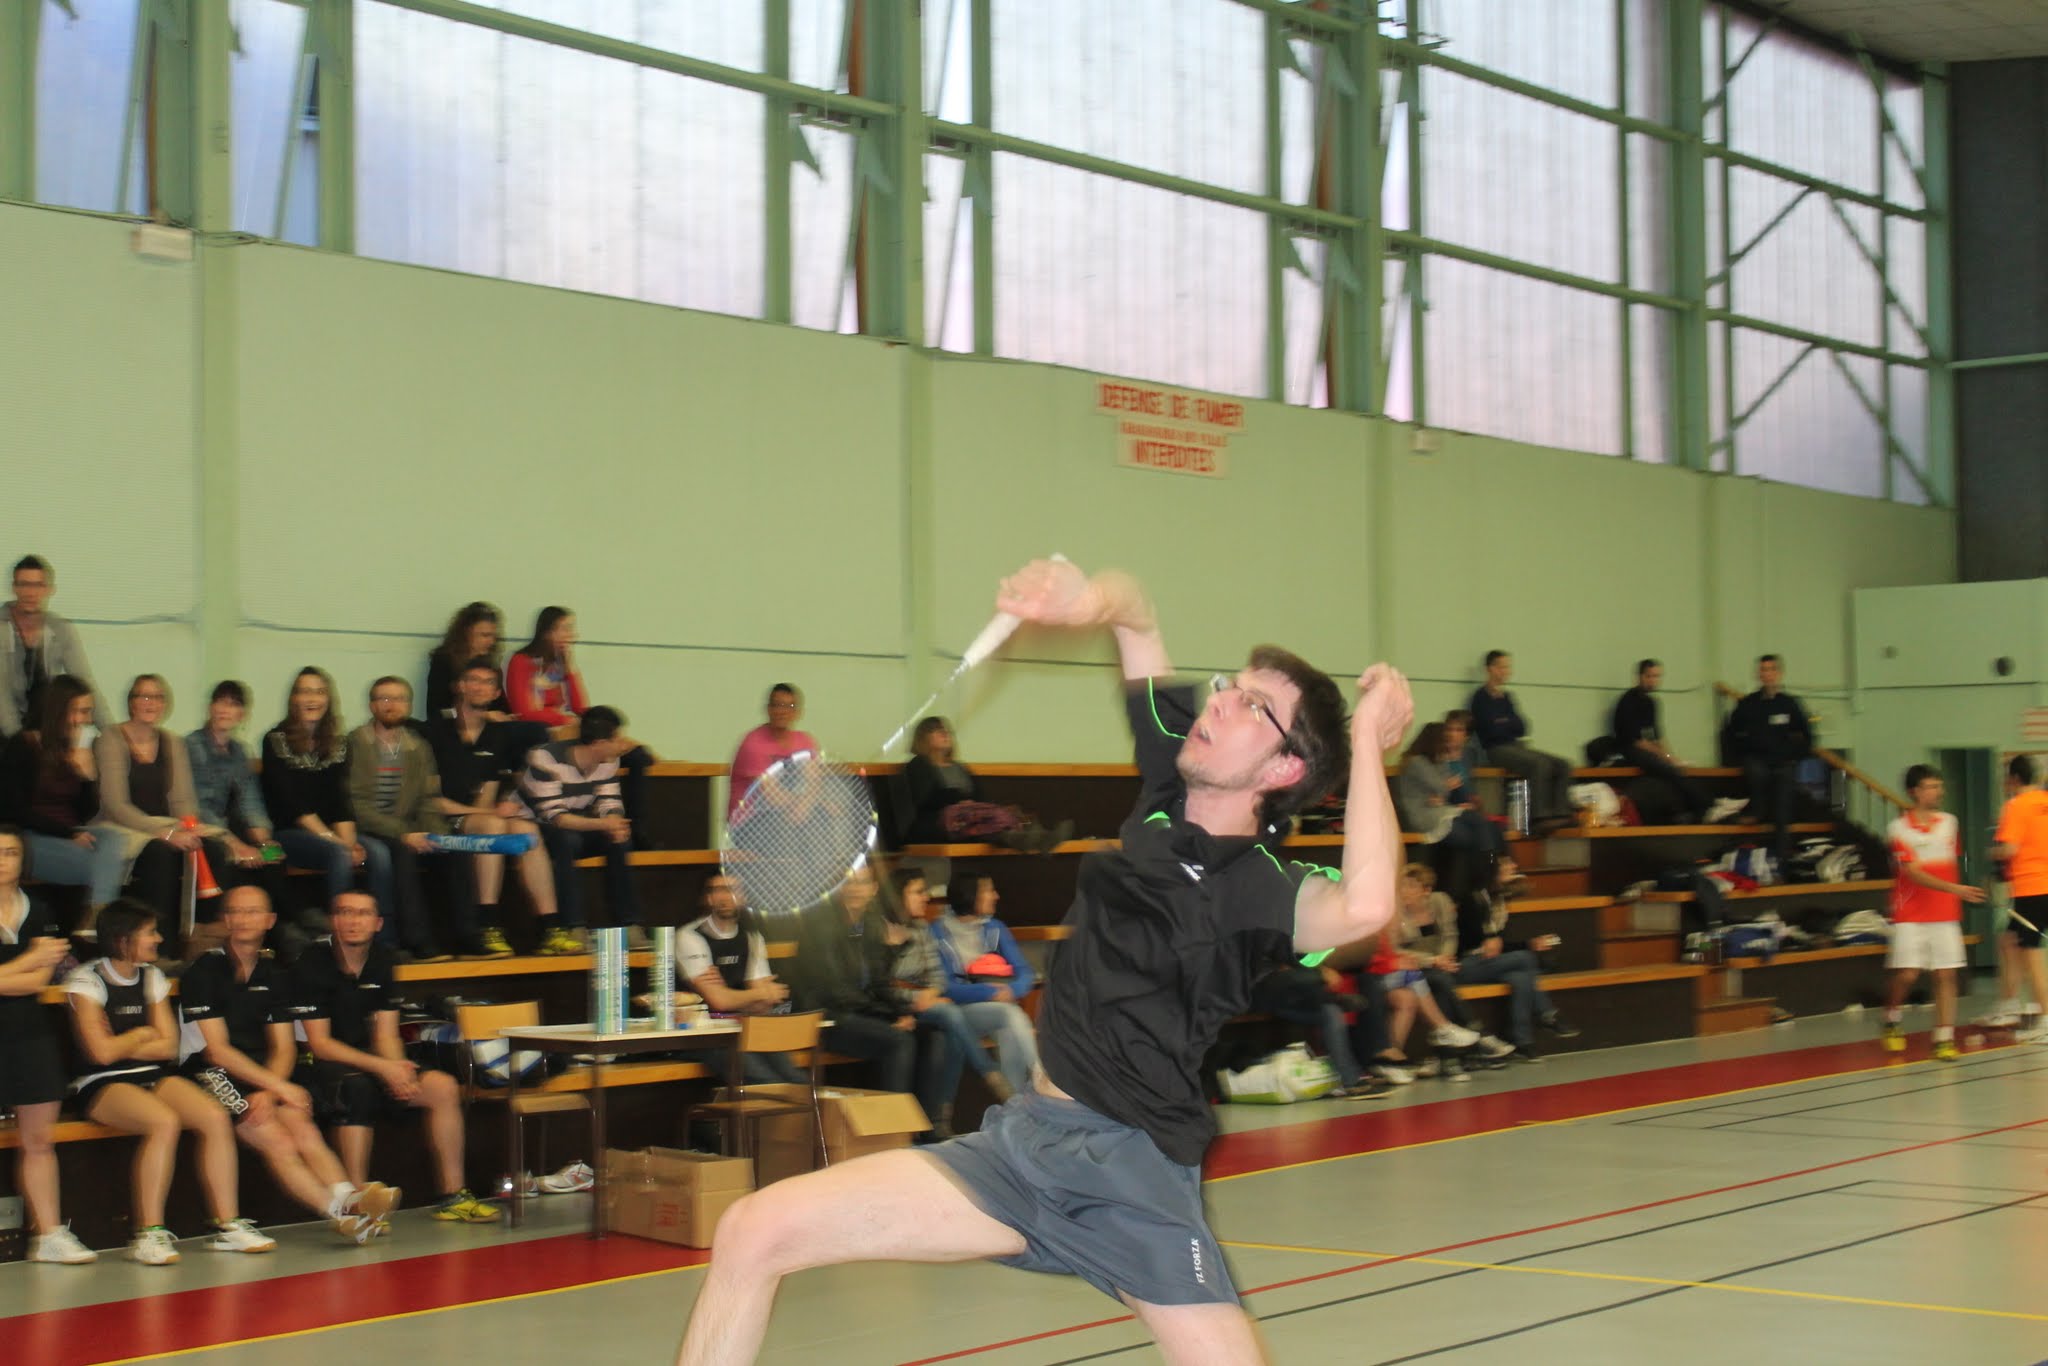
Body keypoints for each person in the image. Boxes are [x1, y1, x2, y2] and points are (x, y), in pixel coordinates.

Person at [676, 556, 1411, 1366]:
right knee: (753, 1229)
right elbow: (1136, 613)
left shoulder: (1262, 887)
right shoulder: (1168, 785)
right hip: (1021, 1148)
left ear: (1284, 768)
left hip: (1132, 1173)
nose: (1221, 702)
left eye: (1253, 705)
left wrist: (1366, 743)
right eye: (1229, 686)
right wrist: (1089, 600)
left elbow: (1368, 904)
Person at [179, 885, 402, 1240]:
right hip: (211, 1072)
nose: (244, 919)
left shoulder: (275, 974)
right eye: (236, 911)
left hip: (260, 1073)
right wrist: (277, 1087)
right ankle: (338, 1213)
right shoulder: (203, 972)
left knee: (302, 1128)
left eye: (254, 911)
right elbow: (216, 1051)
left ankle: (352, 1200)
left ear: (270, 920)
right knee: (276, 1139)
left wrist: (271, 1090)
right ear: (226, 920)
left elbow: (283, 1048)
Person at [64, 899, 278, 1264]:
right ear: (123, 938)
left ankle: (228, 1224)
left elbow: (167, 1046)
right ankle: (149, 1233)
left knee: (214, 1116)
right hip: (101, 1083)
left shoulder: (152, 977)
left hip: (151, 1074)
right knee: (163, 1121)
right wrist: (141, 1034)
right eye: (150, 933)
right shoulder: (86, 980)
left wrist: (124, 1041)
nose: (158, 939)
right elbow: (100, 1054)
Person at [287, 890, 502, 1223]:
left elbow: (386, 1035)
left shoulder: (382, 959)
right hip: (322, 1066)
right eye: (345, 912)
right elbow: (319, 1044)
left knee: (442, 1087)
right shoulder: (312, 963)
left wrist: (398, 1070)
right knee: (356, 1090)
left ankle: (452, 1195)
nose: (353, 921)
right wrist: (383, 1068)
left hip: (371, 1060)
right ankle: (359, 1204)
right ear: (333, 921)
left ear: (377, 923)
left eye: (362, 914)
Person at [0, 826, 97, 1263]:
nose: (3, 860)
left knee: (39, 1139)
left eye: (11, 852)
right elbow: (31, 967)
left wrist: (26, 970)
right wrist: (27, 959)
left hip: (29, 1032)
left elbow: (40, 980)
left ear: (23, 859)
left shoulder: (39, 909)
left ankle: (49, 1234)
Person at [427, 655, 556, 958]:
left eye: (488, 683)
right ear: (459, 686)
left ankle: (551, 927)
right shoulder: (435, 732)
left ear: (497, 693)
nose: (480, 687)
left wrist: (494, 810)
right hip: (437, 820)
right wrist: (489, 813)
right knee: (494, 824)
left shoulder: (498, 736)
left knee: (526, 830)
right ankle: (487, 924)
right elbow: (430, 800)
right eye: (473, 680)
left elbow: (488, 792)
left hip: (474, 818)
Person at [91, 675, 235, 944]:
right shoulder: (110, 738)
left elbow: (182, 800)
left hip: (168, 826)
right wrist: (165, 833)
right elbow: (116, 805)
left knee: (213, 848)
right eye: (143, 696)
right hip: (124, 828)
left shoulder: (172, 741)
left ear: (165, 704)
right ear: (131, 703)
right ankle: (162, 945)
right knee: (161, 854)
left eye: (157, 697)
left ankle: (201, 939)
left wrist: (188, 829)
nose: (150, 703)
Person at [346, 677, 475, 961]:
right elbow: (354, 805)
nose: (392, 705)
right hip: (366, 828)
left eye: (399, 699)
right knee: (401, 852)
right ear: (372, 705)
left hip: (408, 827)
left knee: (454, 848)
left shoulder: (419, 747)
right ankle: (418, 941)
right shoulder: (354, 743)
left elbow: (428, 799)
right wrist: (404, 833)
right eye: (384, 699)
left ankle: (466, 937)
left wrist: (436, 835)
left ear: (408, 705)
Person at [505, 607, 652, 835]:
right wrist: (564, 720)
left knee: (638, 756)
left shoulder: (561, 665)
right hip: (546, 735)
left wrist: (570, 669)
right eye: (565, 629)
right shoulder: (521, 661)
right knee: (541, 732)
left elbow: (580, 707)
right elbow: (523, 712)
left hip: (570, 731)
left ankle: (634, 826)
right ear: (548, 631)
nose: (572, 635)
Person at [784, 864, 920, 1106]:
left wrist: (901, 1012)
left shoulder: (872, 924)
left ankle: (929, 1121)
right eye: (849, 882)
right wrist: (887, 1016)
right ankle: (894, 1122)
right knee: (899, 1041)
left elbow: (880, 981)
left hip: (858, 1013)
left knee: (933, 1034)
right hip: (823, 1017)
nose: (856, 889)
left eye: (863, 882)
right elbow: (836, 992)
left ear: (874, 889)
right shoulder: (821, 925)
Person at [0, 674, 126, 932]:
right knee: (104, 866)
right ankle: (101, 921)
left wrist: (87, 777)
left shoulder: (76, 748)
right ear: (59, 710)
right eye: (81, 711)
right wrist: (67, 833)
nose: (87, 720)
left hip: (71, 834)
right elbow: (15, 810)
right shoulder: (23, 745)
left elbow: (85, 814)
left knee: (114, 838)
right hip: (30, 837)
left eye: (89, 711)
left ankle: (96, 918)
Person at [1880, 765, 1984, 1063]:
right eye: (1931, 786)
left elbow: (1949, 860)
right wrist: (1955, 888)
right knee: (1908, 974)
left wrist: (1955, 891)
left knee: (1946, 974)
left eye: (1940, 786)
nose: (1939, 792)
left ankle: (1944, 1038)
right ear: (1914, 792)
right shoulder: (1898, 829)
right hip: (1910, 912)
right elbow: (1913, 872)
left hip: (1945, 913)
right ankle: (1891, 1016)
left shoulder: (1950, 823)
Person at [517, 705, 640, 946]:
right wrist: (605, 824)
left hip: (578, 823)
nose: (623, 744)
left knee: (620, 841)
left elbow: (609, 802)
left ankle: (629, 923)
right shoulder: (545, 757)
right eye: (617, 738)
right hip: (537, 824)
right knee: (566, 840)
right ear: (599, 743)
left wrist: (614, 822)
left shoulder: (608, 761)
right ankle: (573, 926)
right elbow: (556, 818)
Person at [260, 667, 370, 926]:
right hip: (288, 834)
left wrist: (349, 842)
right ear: (294, 699)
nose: (312, 699)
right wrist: (338, 843)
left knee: (379, 853)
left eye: (319, 692)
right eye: (305, 692)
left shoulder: (339, 743)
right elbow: (293, 805)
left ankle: (383, 934)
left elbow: (340, 798)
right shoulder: (275, 740)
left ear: (328, 699)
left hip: (329, 832)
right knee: (339, 853)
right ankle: (340, 929)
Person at [676, 873, 801, 1084]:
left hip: (745, 1029)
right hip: (702, 1035)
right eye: (718, 890)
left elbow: (764, 1006)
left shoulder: (752, 937)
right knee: (766, 1082)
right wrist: (758, 993)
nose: (725, 897)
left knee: (795, 1079)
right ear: (708, 898)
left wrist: (743, 996)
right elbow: (719, 1001)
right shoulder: (690, 936)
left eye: (732, 890)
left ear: (744, 897)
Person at [927, 872, 1041, 1098]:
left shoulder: (995, 928)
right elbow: (946, 987)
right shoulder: (937, 932)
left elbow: (1025, 972)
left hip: (996, 1008)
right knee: (1009, 1014)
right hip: (958, 1011)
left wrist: (1012, 990)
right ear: (971, 896)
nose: (996, 896)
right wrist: (989, 992)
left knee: (1008, 1028)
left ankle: (1015, 1102)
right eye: (989, 891)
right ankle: (1040, 1075)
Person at [1451, 857, 1576, 1062]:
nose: (1513, 867)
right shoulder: (1473, 899)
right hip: (1465, 963)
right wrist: (1497, 941)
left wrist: (1530, 943)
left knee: (1521, 978)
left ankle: (1523, 1042)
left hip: (1491, 963)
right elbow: (1470, 940)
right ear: (1493, 871)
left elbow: (1501, 945)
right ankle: (1546, 1013)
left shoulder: (1499, 902)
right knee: (1526, 958)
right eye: (1506, 864)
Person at [903, 717, 1070, 849]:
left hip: (971, 819)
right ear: (923, 738)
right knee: (980, 818)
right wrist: (959, 800)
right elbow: (924, 799)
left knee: (996, 813)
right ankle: (1032, 838)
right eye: (936, 730)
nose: (944, 733)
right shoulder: (918, 765)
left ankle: (1038, 836)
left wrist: (969, 804)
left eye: (946, 730)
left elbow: (980, 797)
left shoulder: (960, 767)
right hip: (940, 822)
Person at [1395, 720, 1502, 906]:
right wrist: (1443, 789)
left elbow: (1448, 789)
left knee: (1484, 824)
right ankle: (1486, 877)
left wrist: (1442, 791)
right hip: (1421, 815)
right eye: (1444, 740)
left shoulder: (1438, 761)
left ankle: (1488, 875)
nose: (1447, 744)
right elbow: (1442, 786)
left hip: (1439, 810)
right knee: (1470, 835)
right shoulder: (1416, 761)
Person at [184, 680, 284, 877]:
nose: (225, 709)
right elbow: (201, 807)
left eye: (233, 704)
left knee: (273, 860)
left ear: (242, 715)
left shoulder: (239, 751)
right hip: (203, 830)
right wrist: (234, 844)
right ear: (210, 708)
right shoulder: (193, 745)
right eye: (220, 702)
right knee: (229, 857)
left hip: (231, 827)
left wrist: (264, 841)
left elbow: (251, 801)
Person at [1725, 654, 1815, 867]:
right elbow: (1731, 731)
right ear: (1759, 674)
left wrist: (1794, 756)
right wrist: (1739, 754)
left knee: (1782, 810)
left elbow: (1807, 735)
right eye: (1763, 670)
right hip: (1757, 760)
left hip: (1783, 763)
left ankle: (1782, 861)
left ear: (1779, 673)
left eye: (1771, 670)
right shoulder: (1748, 704)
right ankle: (1757, 810)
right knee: (1758, 773)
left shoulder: (1789, 704)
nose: (1767, 674)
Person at [0, 555, 104, 738]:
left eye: (37, 585)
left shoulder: (60, 628)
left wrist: (112, 733)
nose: (30, 593)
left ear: (49, 589)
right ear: (13, 588)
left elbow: (84, 682)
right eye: (24, 584)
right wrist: (19, 740)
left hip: (44, 728)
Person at [1468, 651, 1571, 831]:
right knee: (1540, 764)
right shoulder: (1480, 698)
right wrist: (1507, 722)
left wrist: (1502, 721)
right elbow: (1490, 730)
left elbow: (1522, 727)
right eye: (1502, 667)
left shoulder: (1507, 697)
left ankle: (1561, 813)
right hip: (1496, 749)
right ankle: (1539, 817)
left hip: (1515, 746)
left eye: (1507, 667)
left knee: (1562, 764)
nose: (1506, 671)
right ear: (1490, 669)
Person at [1608, 659, 1710, 824]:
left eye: (1657, 676)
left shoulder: (1651, 702)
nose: (1653, 680)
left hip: (1644, 750)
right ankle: (1704, 806)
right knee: (1670, 770)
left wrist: (1672, 757)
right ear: (1639, 677)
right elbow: (1636, 741)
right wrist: (1665, 757)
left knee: (1675, 769)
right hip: (1628, 750)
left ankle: (1689, 811)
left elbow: (1657, 736)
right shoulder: (1628, 701)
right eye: (1649, 676)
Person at [1991, 754, 2048, 1045]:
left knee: (2031, 955)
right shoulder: (2045, 800)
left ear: (2013, 779)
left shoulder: (2016, 805)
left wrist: (1993, 853)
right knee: (2009, 941)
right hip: (2042, 886)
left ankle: (2046, 1019)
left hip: (2031, 888)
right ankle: (2009, 1004)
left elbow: (2009, 849)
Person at [727, 683, 818, 821]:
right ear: (768, 709)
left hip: (788, 815)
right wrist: (800, 804)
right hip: (751, 821)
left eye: (789, 706)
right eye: (777, 705)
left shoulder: (805, 742)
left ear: (797, 713)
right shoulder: (753, 743)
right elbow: (770, 795)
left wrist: (807, 805)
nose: (782, 711)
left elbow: (815, 784)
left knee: (826, 813)